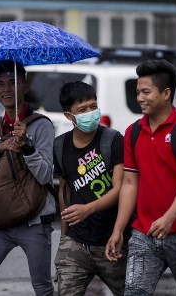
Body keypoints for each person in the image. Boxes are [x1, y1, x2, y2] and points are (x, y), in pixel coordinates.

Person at [105, 59, 176, 296]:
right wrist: (119, 230)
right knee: (134, 292)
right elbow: (130, 184)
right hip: (144, 233)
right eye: (137, 92)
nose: (140, 97)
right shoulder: (133, 132)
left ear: (166, 93)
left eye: (146, 92)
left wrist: (169, 218)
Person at [0, 60, 56, 296]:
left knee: (42, 288)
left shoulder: (42, 126)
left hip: (34, 221)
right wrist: (0, 149)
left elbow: (46, 175)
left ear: (24, 88)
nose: (6, 90)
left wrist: (27, 146)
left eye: (12, 83)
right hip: (1, 220)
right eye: (0, 84)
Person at [53, 81, 127, 296]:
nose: (90, 113)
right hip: (75, 243)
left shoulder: (113, 140)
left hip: (112, 242)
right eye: (82, 110)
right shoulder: (60, 146)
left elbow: (120, 188)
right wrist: (65, 236)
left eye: (93, 106)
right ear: (69, 116)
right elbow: (64, 190)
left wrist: (89, 209)